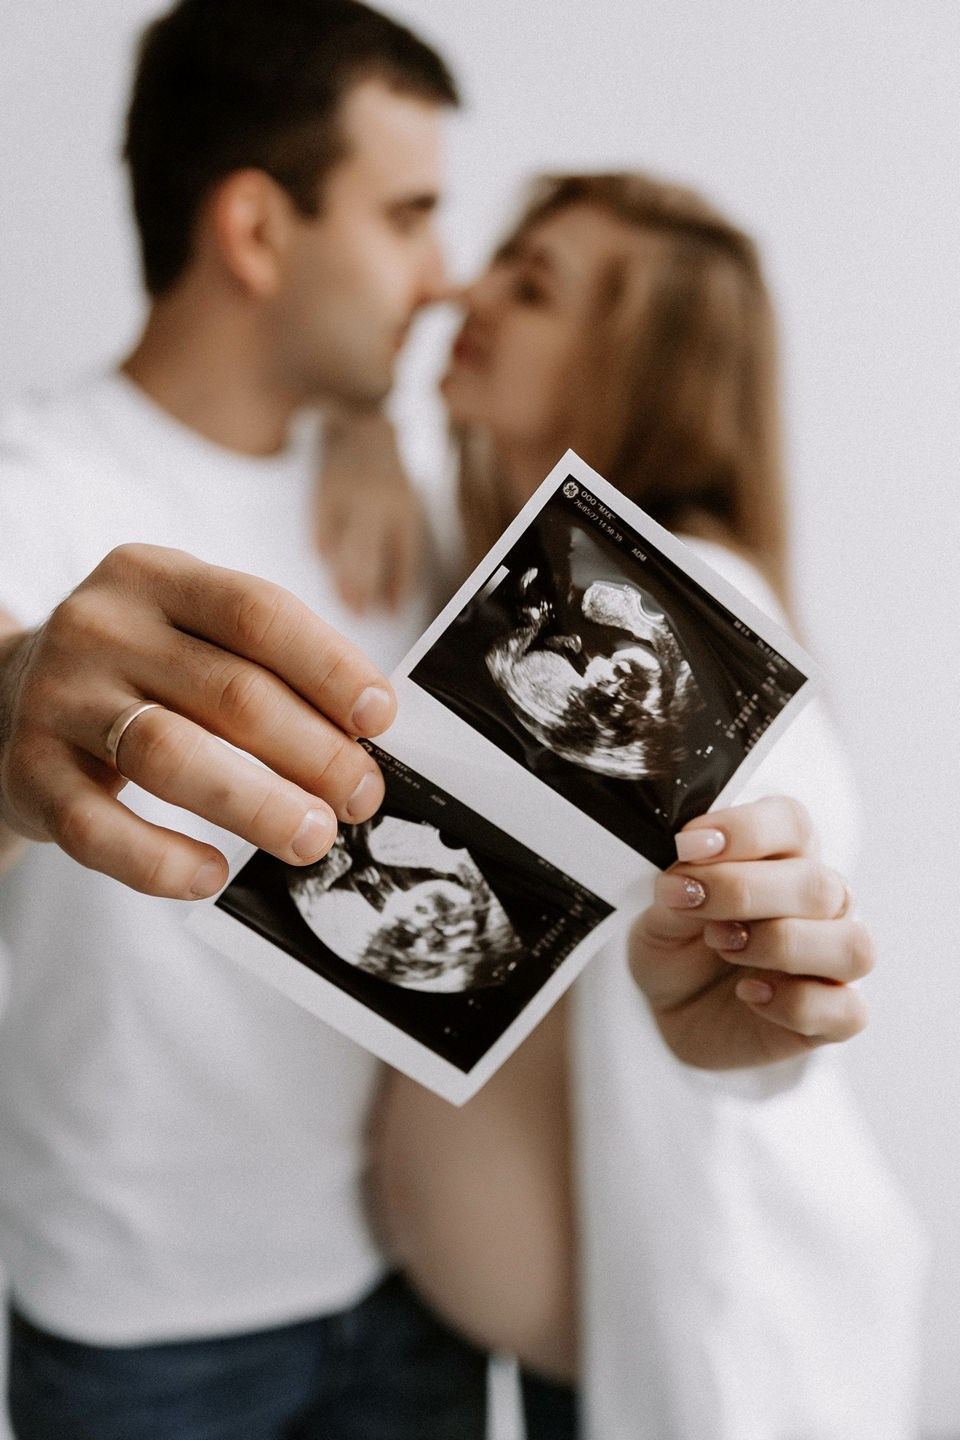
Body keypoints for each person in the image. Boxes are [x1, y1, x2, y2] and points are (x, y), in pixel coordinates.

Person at [353, 173, 926, 1438]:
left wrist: (773, 920)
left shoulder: (682, 604)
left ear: (644, 362)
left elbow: (782, 840)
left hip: (720, 1361)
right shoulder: (500, 597)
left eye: (535, 285)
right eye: (499, 261)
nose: (475, 294)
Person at [0, 3, 500, 1436]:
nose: (441, 276)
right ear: (259, 233)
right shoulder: (30, 490)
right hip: (143, 1332)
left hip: (419, 1278)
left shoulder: (407, 482)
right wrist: (16, 710)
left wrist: (362, 423)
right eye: (408, 218)